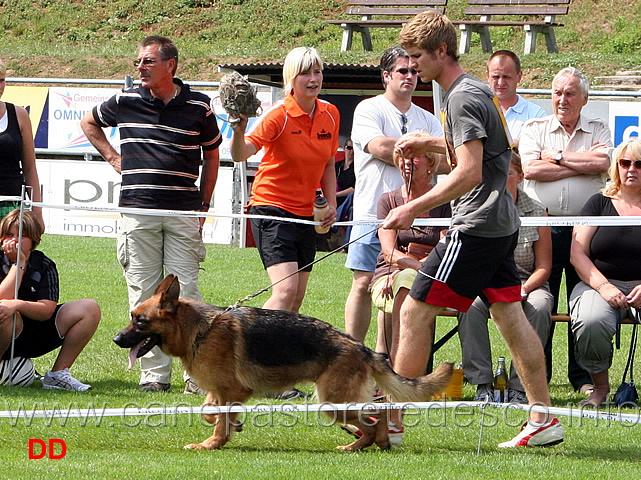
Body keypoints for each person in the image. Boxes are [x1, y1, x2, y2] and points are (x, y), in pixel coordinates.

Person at [382, 11, 563, 447]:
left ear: (442, 51)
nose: (411, 68)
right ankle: (544, 418)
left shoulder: (460, 98)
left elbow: (468, 173)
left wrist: (413, 209)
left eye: (417, 57)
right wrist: (430, 144)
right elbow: (489, 155)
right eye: (404, 60)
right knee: (511, 318)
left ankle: (389, 422)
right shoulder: (472, 90)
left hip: (477, 226)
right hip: (500, 224)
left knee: (414, 310)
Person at [81, 35, 222, 393]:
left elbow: (212, 155)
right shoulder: (125, 100)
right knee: (142, 294)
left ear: (170, 65)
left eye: (147, 62)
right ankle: (154, 377)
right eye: (138, 62)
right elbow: (88, 123)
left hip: (183, 212)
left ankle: (197, 375)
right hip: (137, 212)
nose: (140, 68)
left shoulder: (199, 106)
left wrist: (204, 205)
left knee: (187, 296)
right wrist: (113, 158)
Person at [520, 67, 613, 394]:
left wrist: (556, 157)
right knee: (539, 302)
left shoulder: (598, 128)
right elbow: (530, 169)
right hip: (543, 227)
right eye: (558, 92)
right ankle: (538, 376)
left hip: (585, 229)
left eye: (570, 93)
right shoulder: (535, 128)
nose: (562, 99)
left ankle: (583, 378)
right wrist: (578, 162)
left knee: (583, 302)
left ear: (584, 98)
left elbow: (602, 165)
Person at [344, 45, 444, 346]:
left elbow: (450, 158)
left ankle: (381, 357)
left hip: (417, 212)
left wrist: (422, 147)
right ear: (386, 76)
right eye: (403, 71)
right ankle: (352, 355)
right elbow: (381, 148)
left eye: (415, 71)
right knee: (363, 284)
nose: (411, 76)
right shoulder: (369, 109)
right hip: (370, 212)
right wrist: (422, 148)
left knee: (398, 282)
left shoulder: (427, 118)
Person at [229, 46, 338, 314]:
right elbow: (241, 154)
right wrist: (238, 132)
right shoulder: (279, 114)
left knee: (296, 298)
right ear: (291, 77)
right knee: (285, 291)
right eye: (305, 74)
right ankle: (243, 342)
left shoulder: (331, 114)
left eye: (317, 72)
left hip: (305, 214)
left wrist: (332, 204)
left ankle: (278, 357)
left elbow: (328, 163)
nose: (313, 79)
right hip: (271, 208)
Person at [457, 150, 553, 404]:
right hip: (486, 282)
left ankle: (520, 388)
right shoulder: (478, 207)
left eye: (506, 173)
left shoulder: (536, 211)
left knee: (541, 306)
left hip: (527, 282)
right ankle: (482, 384)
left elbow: (544, 267)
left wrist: (524, 289)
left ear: (520, 176)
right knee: (471, 306)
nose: (499, 178)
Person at [569, 139, 641, 406]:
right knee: (590, 319)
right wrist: (603, 287)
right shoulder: (598, 202)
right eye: (625, 163)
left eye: (639, 164)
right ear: (616, 167)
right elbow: (577, 253)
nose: (631, 169)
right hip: (599, 285)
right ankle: (600, 388)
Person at [0, 209, 100, 391]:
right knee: (6, 312)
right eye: (9, 234)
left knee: (89, 308)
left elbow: (47, 310)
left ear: (33, 240)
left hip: (35, 333)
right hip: (5, 329)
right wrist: (18, 265)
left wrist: (19, 304)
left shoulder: (44, 265)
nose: (14, 240)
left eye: (21, 235)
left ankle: (58, 375)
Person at [370, 139, 450, 359]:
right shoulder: (388, 201)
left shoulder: (445, 202)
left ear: (430, 163)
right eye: (403, 156)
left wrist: (419, 268)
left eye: (415, 156)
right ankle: (397, 362)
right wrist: (408, 269)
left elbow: (445, 246)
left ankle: (397, 363)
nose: (407, 162)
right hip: (389, 275)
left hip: (434, 273)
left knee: (407, 281)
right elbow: (389, 253)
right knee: (404, 280)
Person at [0, 61, 44, 228]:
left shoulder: (19, 114)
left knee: (15, 254)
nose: (0, 86)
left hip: (12, 207)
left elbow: (30, 168)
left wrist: (37, 212)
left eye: (2, 80)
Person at [485, 50, 546, 148]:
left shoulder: (536, 115)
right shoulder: (478, 111)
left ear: (519, 76)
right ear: (488, 76)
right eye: (496, 77)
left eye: (506, 77)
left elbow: (541, 150)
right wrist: (516, 144)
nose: (500, 82)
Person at [336, 137, 355, 208]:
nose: (352, 151)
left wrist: (336, 195)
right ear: (344, 148)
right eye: (349, 148)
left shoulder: (357, 168)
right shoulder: (337, 165)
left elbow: (355, 188)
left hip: (348, 202)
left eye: (354, 149)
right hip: (333, 201)